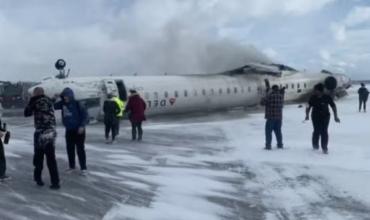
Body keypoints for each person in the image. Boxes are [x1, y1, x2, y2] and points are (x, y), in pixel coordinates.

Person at [24, 87, 60, 189]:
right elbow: (51, 102)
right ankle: (55, 182)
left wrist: (31, 101)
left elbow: (27, 113)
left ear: (36, 93)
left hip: (41, 132)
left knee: (39, 157)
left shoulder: (37, 101)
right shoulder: (48, 100)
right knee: (51, 158)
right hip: (51, 131)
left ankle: (38, 178)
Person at [54, 88, 89, 174]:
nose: (65, 98)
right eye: (64, 96)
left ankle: (83, 168)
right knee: (70, 149)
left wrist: (82, 126)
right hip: (69, 130)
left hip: (79, 130)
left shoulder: (78, 104)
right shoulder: (62, 104)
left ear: (70, 95)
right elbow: (54, 106)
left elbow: (85, 116)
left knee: (80, 149)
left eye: (66, 96)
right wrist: (57, 97)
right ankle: (72, 166)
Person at [305, 83, 340, 154]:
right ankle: (315, 145)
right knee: (316, 131)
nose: (314, 91)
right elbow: (308, 106)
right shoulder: (312, 97)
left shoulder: (327, 97)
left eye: (315, 90)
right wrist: (307, 115)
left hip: (325, 117)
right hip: (315, 116)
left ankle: (324, 147)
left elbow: (333, 106)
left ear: (319, 90)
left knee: (324, 131)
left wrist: (336, 116)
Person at [264, 85, 284, 150]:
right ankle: (280, 144)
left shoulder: (270, 96)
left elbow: (262, 102)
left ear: (272, 89)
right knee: (278, 132)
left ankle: (268, 146)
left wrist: (267, 93)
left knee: (268, 132)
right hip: (279, 117)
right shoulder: (281, 96)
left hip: (271, 117)